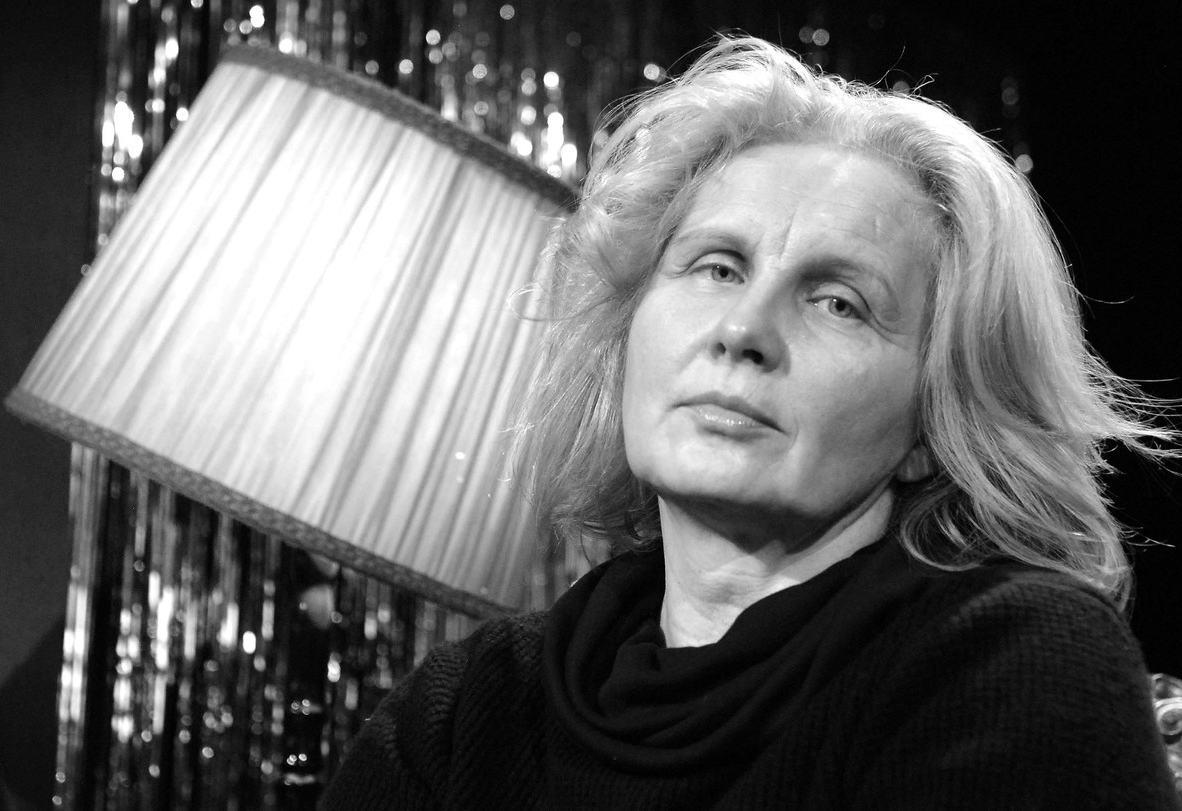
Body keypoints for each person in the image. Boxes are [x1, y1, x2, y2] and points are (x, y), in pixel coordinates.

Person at [321, 36, 1181, 809]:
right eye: (718, 267)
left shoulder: (1011, 661)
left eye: (839, 302)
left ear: (935, 418)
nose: (743, 330)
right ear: (628, 332)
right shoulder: (469, 704)